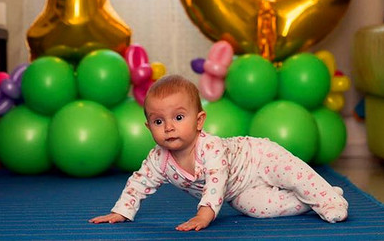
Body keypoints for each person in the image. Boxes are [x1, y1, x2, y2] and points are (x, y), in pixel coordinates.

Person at [89, 73, 348, 232]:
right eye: (158, 121)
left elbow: (216, 180)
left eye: (178, 117)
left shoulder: (209, 147)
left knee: (294, 175)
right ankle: (315, 198)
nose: (168, 127)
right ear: (148, 127)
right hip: (238, 192)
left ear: (199, 121)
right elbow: (139, 183)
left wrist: (205, 213)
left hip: (258, 157)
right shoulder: (159, 160)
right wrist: (122, 210)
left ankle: (330, 200)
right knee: (259, 209)